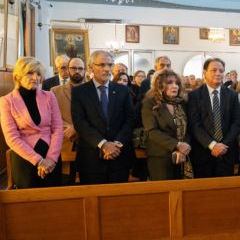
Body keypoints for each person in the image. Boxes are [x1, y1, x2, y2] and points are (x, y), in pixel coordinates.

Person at [71, 50, 136, 184]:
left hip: (119, 157)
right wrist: (103, 144)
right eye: (102, 65)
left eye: (110, 65)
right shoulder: (79, 92)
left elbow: (130, 120)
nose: (107, 69)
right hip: (91, 160)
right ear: (91, 67)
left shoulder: (123, 90)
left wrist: (117, 144)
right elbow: (80, 123)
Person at [0, 57, 63, 189]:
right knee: (28, 198)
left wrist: (51, 159)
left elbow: (57, 128)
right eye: (30, 73)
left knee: (54, 197)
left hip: (51, 157)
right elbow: (11, 138)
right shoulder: (6, 101)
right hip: (25, 158)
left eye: (38, 74)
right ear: (18, 76)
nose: (35, 78)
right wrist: (39, 161)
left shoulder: (49, 96)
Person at [188, 58, 240, 177]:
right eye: (214, 70)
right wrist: (213, 145)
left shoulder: (232, 95)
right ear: (204, 73)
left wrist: (222, 146)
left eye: (221, 71)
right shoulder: (194, 96)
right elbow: (195, 125)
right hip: (203, 153)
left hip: (226, 152)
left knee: (227, 188)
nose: (218, 73)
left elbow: (237, 122)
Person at [142, 69, 192, 180]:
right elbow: (152, 131)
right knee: (163, 190)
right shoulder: (150, 103)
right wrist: (177, 145)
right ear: (159, 85)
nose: (175, 86)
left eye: (177, 83)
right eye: (169, 83)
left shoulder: (182, 103)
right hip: (160, 157)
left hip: (182, 155)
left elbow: (189, 129)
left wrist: (184, 147)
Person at [52, 57, 85, 155]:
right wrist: (68, 128)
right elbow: (51, 117)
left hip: (89, 143)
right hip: (65, 142)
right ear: (68, 69)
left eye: (80, 68)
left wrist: (77, 128)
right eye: (73, 68)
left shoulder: (94, 91)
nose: (77, 71)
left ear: (85, 70)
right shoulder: (55, 91)